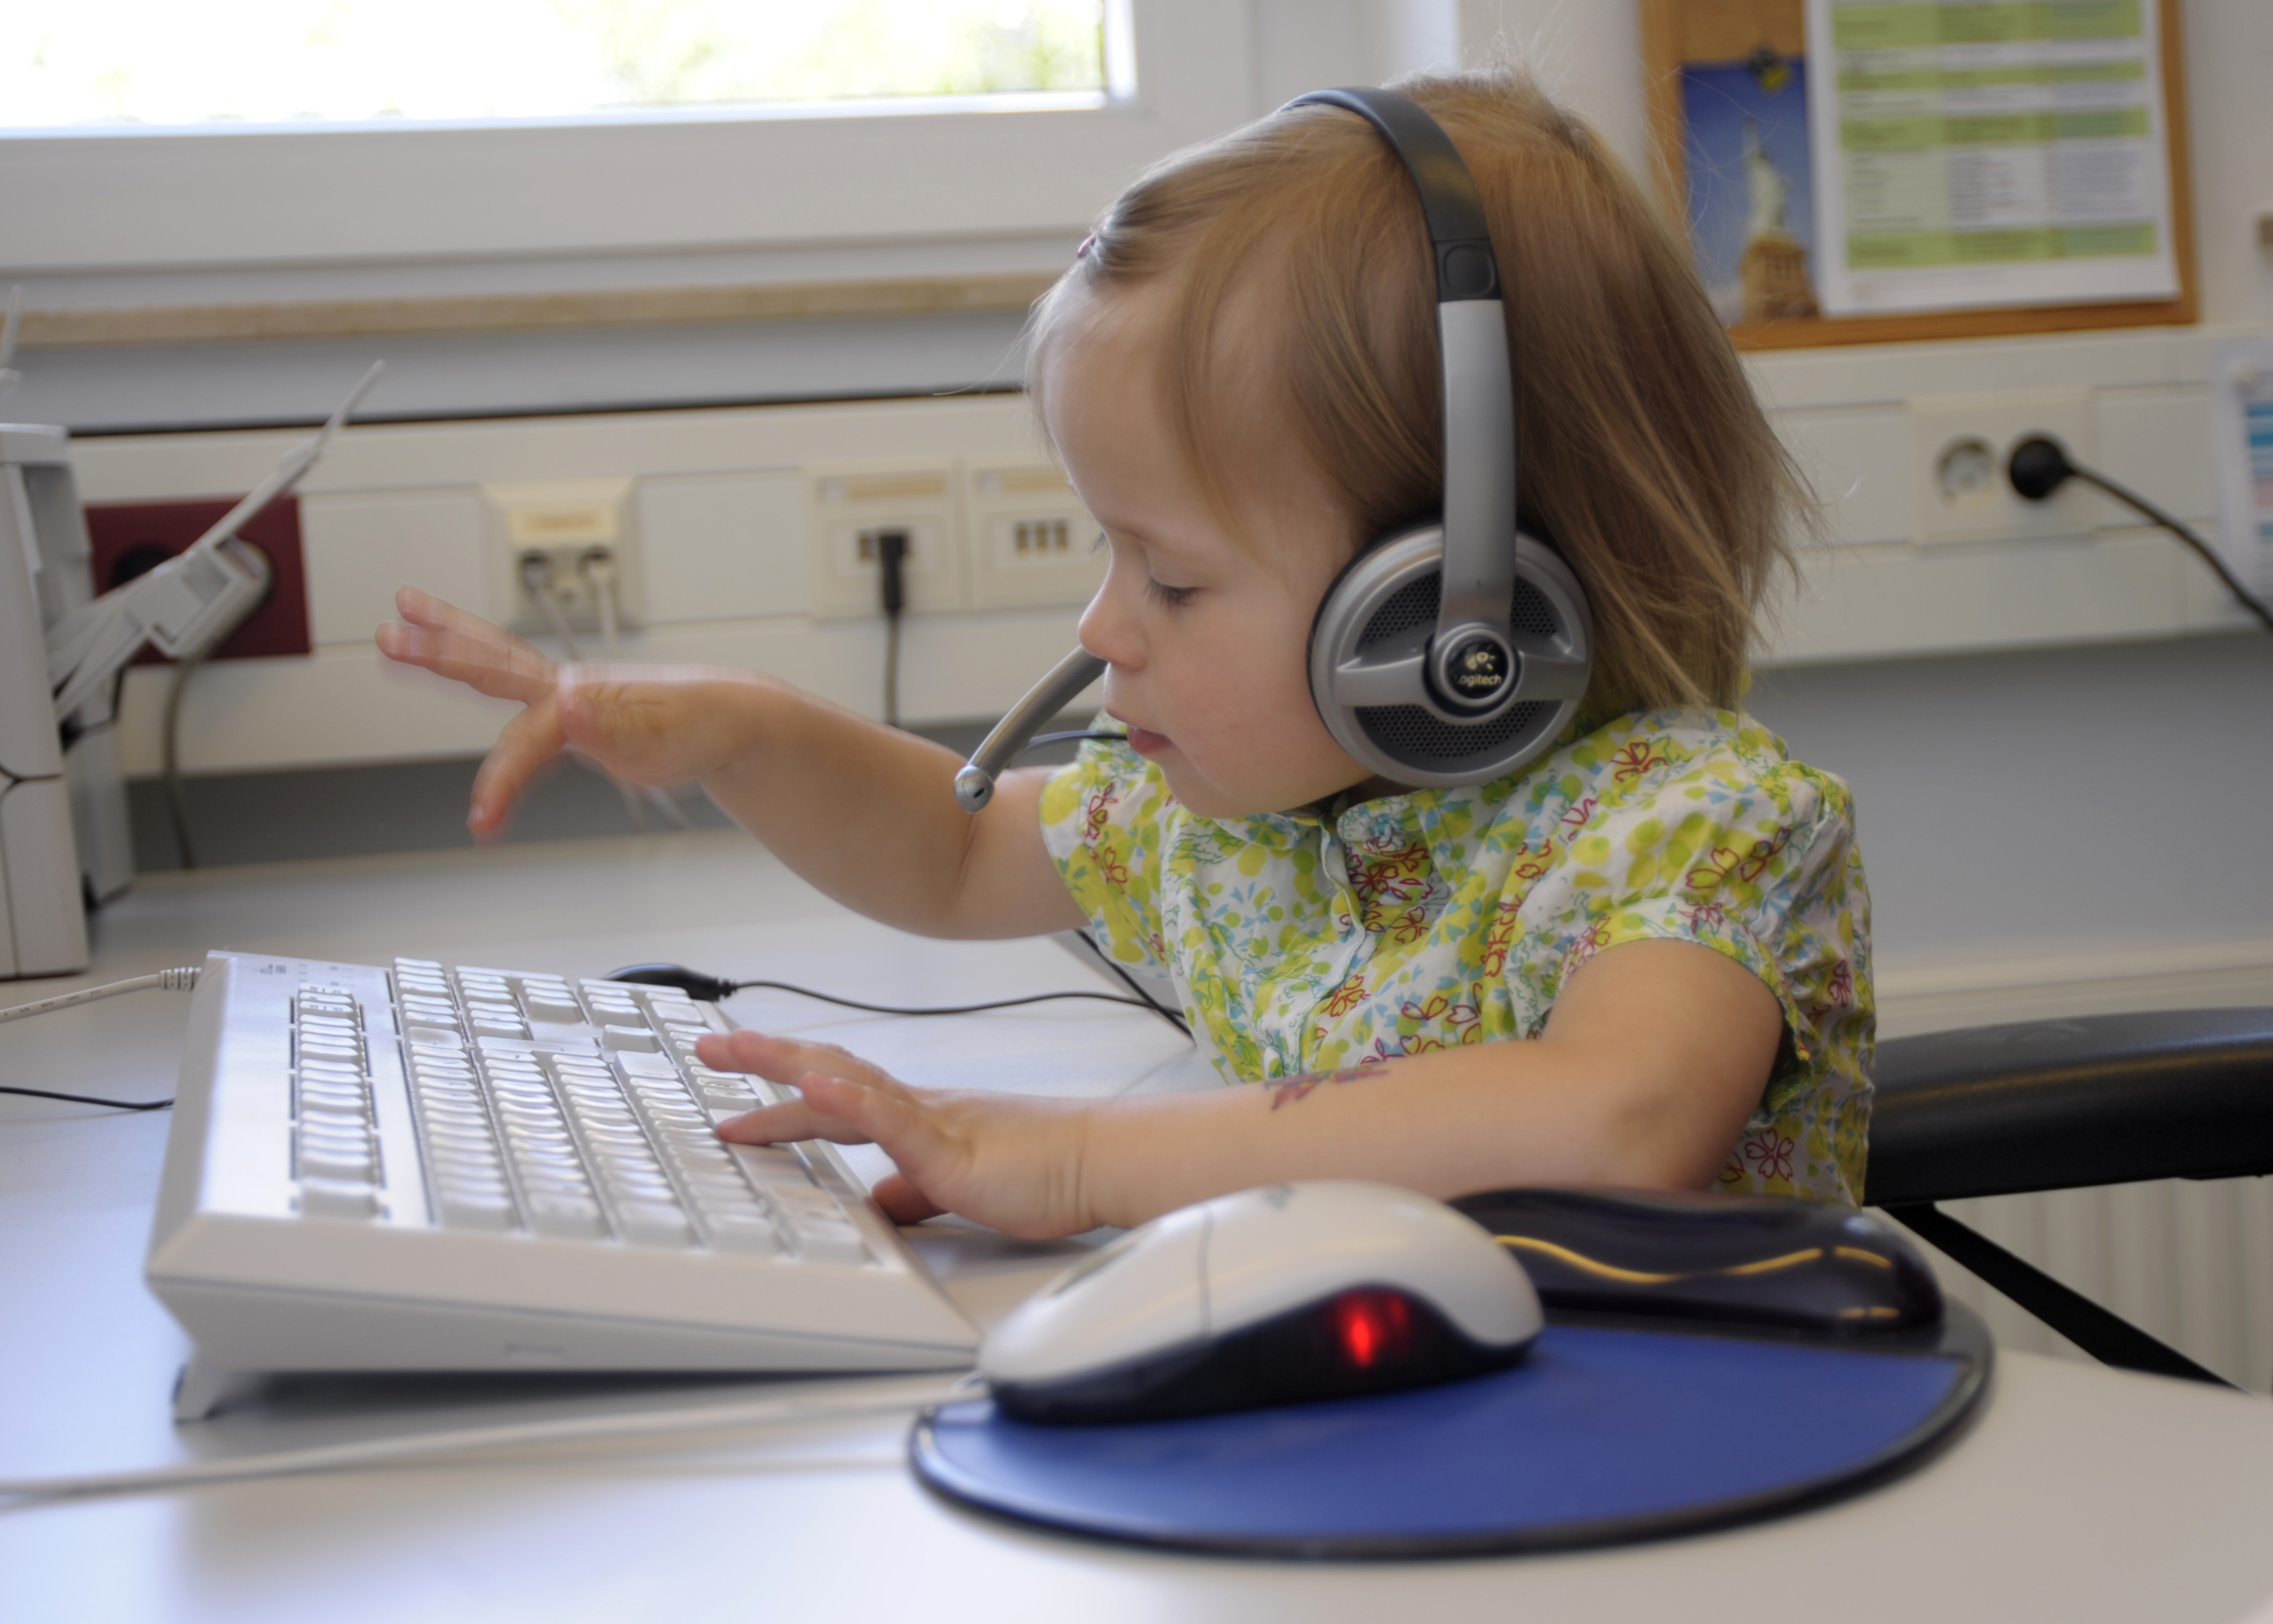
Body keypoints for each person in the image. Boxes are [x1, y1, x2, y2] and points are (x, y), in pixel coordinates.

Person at [376, 67, 1872, 1242]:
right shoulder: (1236, 815)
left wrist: (1076, 1158)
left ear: (1445, 612)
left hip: (1692, 1471)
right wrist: (738, 734)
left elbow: (1609, 1122)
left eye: (1169, 575)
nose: (1102, 630)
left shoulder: (1688, 828)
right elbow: (952, 860)